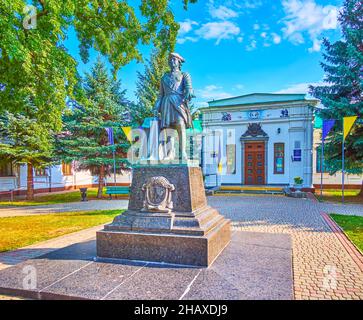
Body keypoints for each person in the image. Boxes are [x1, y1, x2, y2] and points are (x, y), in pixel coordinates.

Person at [154, 52, 194, 160]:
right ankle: (170, 153)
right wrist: (156, 107)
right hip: (166, 103)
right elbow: (160, 95)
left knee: (180, 126)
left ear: (179, 62)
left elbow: (189, 88)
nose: (172, 62)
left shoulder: (184, 75)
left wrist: (189, 92)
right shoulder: (164, 78)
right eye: (170, 60)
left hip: (178, 102)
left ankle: (183, 153)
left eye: (174, 60)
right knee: (168, 129)